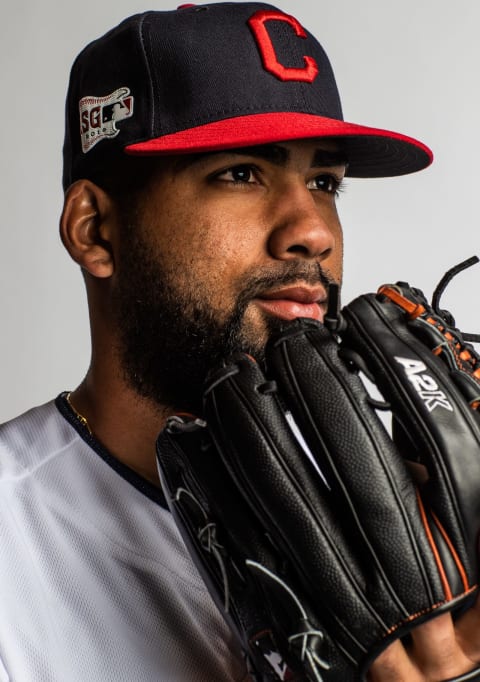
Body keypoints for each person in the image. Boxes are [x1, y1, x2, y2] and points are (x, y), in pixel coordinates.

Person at [1, 2, 479, 680]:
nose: (312, 231)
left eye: (324, 182)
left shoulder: (421, 515)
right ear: (95, 230)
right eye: (241, 173)